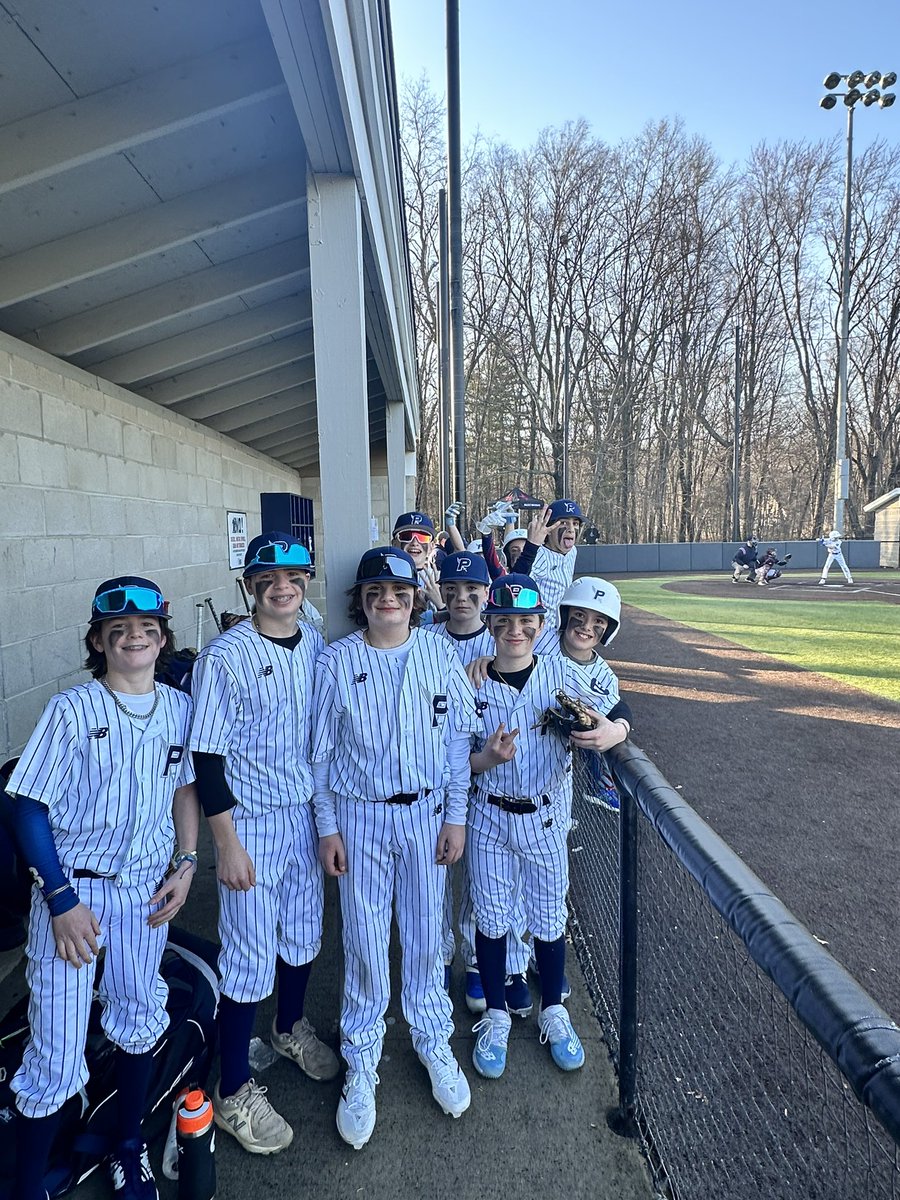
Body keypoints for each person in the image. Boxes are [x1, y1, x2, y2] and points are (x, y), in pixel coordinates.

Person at [8, 575, 199, 1200]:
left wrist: (187, 862)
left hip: (145, 893)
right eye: (118, 630)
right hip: (74, 896)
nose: (133, 637)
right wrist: (59, 900)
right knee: (56, 1054)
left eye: (146, 628)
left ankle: (127, 1146)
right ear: (98, 642)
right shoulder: (71, 709)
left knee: (139, 1017)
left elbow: (185, 789)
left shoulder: (179, 708)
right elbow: (27, 808)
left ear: (163, 638)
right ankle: (27, 1188)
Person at [311, 547, 480, 1150]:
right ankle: (361, 1057)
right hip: (359, 816)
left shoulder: (438, 651)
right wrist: (327, 827)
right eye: (376, 591)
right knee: (363, 938)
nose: (389, 599)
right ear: (361, 600)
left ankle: (433, 1040)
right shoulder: (336, 661)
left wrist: (456, 817)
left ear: (414, 599)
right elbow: (320, 757)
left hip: (426, 814)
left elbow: (458, 743)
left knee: (426, 933)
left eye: (400, 591)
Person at [189, 532, 337, 1158]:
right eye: (268, 578)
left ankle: (287, 1027)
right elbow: (206, 757)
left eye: (294, 577)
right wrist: (225, 844)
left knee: (303, 934)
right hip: (248, 822)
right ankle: (232, 1091)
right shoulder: (224, 656)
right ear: (250, 585)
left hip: (301, 815)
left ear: (305, 583)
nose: (283, 587)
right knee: (248, 956)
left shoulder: (317, 644)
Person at [466, 574, 618, 1080]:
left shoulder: (562, 674)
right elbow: (452, 761)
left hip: (546, 815)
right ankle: (495, 1015)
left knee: (549, 918)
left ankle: (553, 1009)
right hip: (487, 815)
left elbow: (616, 708)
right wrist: (485, 759)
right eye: (504, 620)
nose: (516, 630)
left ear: (540, 623)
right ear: (489, 623)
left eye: (525, 620)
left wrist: (616, 729)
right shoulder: (469, 680)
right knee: (491, 918)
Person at [425, 552, 530, 1016]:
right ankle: (437, 958)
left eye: (472, 589)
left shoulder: (502, 641)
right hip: (437, 778)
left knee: (482, 882)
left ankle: (479, 961)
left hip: (489, 781)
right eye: (453, 589)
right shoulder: (426, 638)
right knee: (435, 879)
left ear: (487, 594)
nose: (462, 597)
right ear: (442, 592)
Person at [516, 501, 584, 626]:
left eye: (575, 523)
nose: (571, 529)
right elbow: (516, 582)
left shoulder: (572, 551)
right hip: (541, 629)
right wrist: (531, 546)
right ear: (548, 529)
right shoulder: (539, 554)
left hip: (561, 627)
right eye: (563, 523)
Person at [392, 511, 443, 612]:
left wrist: (441, 604)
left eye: (423, 537)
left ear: (431, 546)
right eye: (406, 536)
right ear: (394, 544)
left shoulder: (443, 580)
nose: (415, 543)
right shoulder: (383, 577)